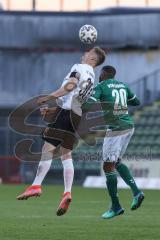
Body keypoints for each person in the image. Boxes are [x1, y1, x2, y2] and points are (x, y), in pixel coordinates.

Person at [16, 47, 106, 216]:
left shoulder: (79, 67)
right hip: (76, 116)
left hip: (67, 114)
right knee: (66, 155)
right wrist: (55, 110)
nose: (85, 53)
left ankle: (36, 185)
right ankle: (67, 192)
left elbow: (70, 86)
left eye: (89, 52)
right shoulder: (92, 78)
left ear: (93, 59)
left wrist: (49, 97)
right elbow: (75, 99)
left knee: (47, 150)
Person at [84, 65, 144, 219]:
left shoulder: (101, 86)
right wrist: (119, 103)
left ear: (103, 74)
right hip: (128, 126)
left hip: (116, 129)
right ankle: (136, 192)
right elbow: (136, 101)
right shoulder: (123, 85)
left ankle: (116, 206)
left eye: (100, 74)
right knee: (116, 162)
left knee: (107, 166)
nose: (99, 77)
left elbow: (87, 106)